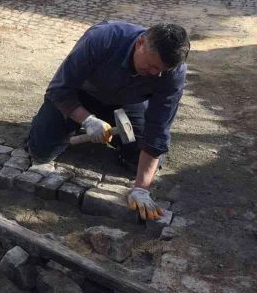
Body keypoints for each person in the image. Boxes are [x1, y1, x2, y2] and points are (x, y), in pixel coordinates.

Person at [26, 20, 189, 221]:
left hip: (126, 104)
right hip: (81, 95)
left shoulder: (173, 72)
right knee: (41, 150)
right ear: (140, 43)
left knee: (139, 161)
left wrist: (141, 188)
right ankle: (66, 125)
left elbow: (159, 128)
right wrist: (88, 120)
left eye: (161, 70)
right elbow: (59, 90)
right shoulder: (103, 38)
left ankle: (97, 130)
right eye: (151, 66)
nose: (155, 73)